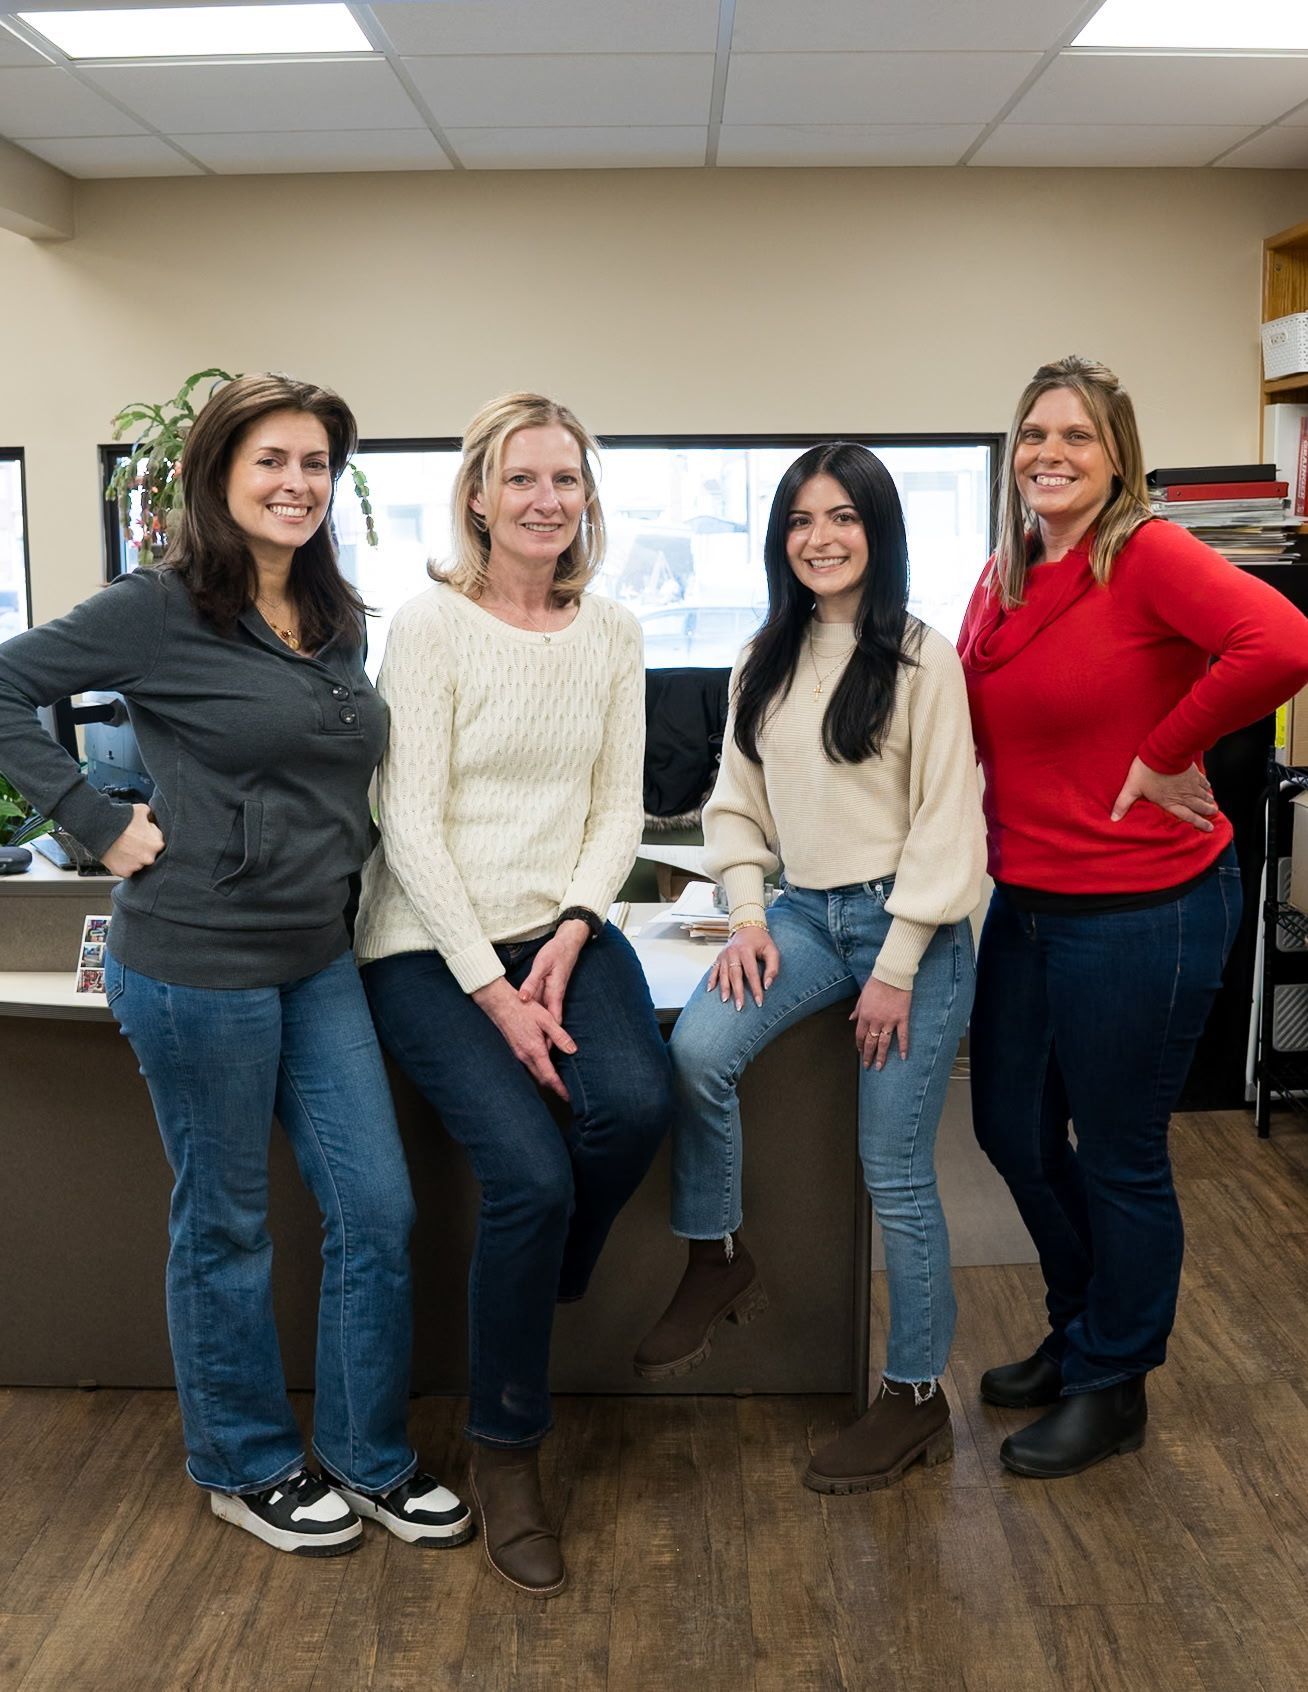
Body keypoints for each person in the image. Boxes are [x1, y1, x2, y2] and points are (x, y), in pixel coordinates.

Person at [0, 374, 472, 1557]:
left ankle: (367, 1458)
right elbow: (5, 683)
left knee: (376, 1206)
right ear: (219, 474)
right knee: (227, 1225)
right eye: (273, 460)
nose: (297, 484)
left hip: (317, 958)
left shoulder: (337, 614)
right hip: (197, 960)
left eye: (316, 463)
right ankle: (245, 1462)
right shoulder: (157, 609)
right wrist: (91, 818)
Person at [959, 355, 1308, 1478]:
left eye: (1078, 437)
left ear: (1119, 457)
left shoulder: (1148, 554)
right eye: (1034, 436)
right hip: (1029, 901)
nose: (1050, 455)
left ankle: (1117, 1380)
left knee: (1118, 1153)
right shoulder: (1003, 573)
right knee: (1010, 1128)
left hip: (1144, 909)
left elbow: (1284, 644)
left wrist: (1165, 753)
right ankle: (1080, 1326)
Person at [354, 392, 672, 1597]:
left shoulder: (614, 632)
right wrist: (497, 989)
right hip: (427, 946)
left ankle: (553, 1269)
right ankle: (507, 1451)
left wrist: (578, 927)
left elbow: (616, 807)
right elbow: (409, 825)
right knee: (529, 1175)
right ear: (478, 495)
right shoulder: (430, 625)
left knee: (635, 1107)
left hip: (566, 923)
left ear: (588, 498)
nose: (547, 500)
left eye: (568, 480)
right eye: (522, 479)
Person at [633, 442, 986, 1492]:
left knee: (897, 1175)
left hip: (906, 930)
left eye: (843, 518)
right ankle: (717, 1253)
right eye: (799, 521)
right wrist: (746, 915)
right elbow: (733, 806)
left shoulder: (925, 660)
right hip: (799, 915)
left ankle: (916, 1398)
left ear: (879, 532)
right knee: (696, 1051)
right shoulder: (764, 659)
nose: (820, 539)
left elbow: (946, 823)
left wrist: (902, 965)